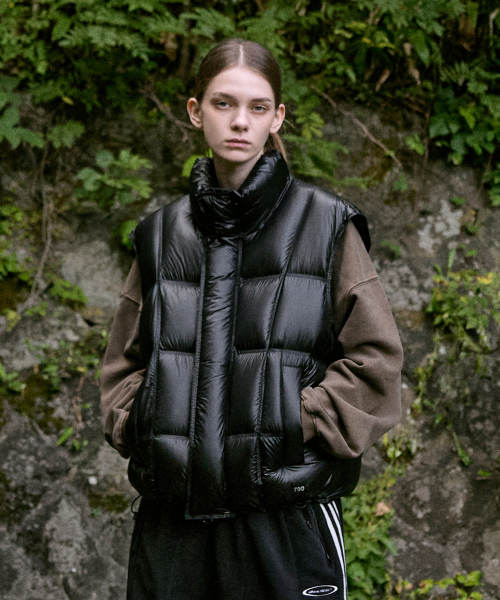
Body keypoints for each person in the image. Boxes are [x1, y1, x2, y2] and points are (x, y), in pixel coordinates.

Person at [100, 38, 403, 600]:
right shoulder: (159, 236)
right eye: (223, 103)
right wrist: (145, 418)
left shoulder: (327, 226)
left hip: (284, 520)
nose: (240, 121)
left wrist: (289, 418)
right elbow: (123, 365)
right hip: (173, 527)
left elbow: (375, 363)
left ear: (277, 117)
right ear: (196, 111)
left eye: (257, 107)